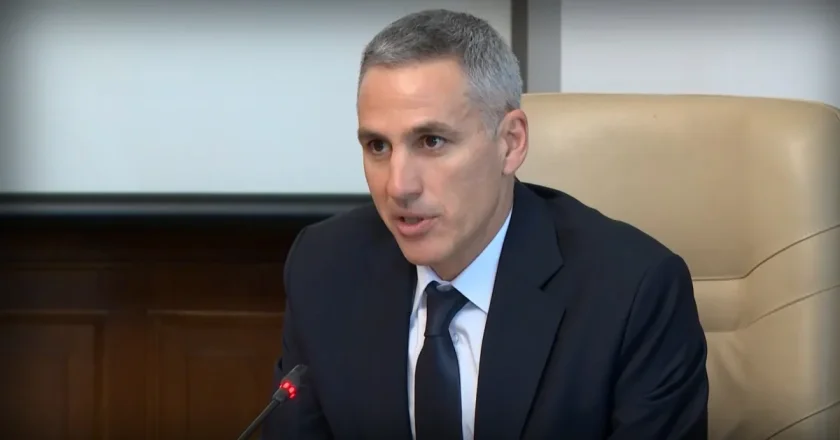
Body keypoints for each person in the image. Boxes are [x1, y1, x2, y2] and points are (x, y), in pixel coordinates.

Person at [261, 8, 708, 440]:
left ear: (510, 143)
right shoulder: (324, 267)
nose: (398, 186)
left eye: (431, 141)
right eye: (378, 146)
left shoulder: (633, 290)